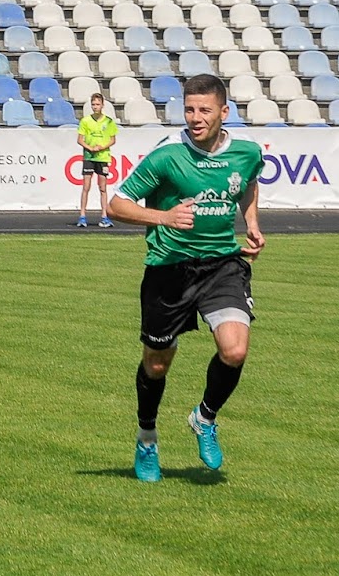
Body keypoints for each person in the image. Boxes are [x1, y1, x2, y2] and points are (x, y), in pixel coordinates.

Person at [108, 74, 265, 483]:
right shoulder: (167, 155)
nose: (195, 118)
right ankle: (146, 437)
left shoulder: (247, 152)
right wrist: (163, 216)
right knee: (157, 365)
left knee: (234, 351)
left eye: (204, 110)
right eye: (189, 109)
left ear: (223, 112)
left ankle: (204, 418)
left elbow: (248, 184)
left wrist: (251, 222)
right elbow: (117, 204)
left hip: (221, 266)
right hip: (169, 270)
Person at [76, 93, 118, 228]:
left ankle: (104, 216)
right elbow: (80, 139)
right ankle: (82, 216)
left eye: (98, 104)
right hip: (89, 156)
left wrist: (101, 147)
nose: (95, 107)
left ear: (102, 105)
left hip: (103, 157)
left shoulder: (109, 121)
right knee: (86, 187)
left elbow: (112, 139)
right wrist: (90, 148)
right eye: (93, 104)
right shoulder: (85, 121)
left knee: (103, 187)